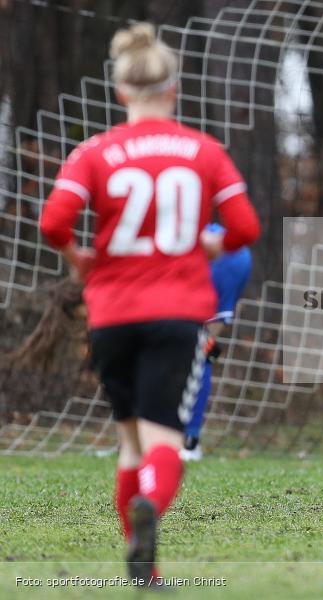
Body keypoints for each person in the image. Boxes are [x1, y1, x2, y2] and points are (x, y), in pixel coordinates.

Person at [39, 23, 259, 584]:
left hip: (111, 313)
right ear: (174, 89)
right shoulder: (203, 151)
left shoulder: (95, 151)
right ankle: (151, 509)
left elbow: (53, 222)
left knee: (129, 441)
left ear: (120, 92)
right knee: (165, 441)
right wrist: (210, 243)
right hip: (176, 312)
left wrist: (78, 258)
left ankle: (147, 569)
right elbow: (245, 227)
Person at [180, 223, 253, 461]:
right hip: (228, 249)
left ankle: (185, 439)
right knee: (201, 351)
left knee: (197, 352)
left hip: (210, 251)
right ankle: (187, 440)